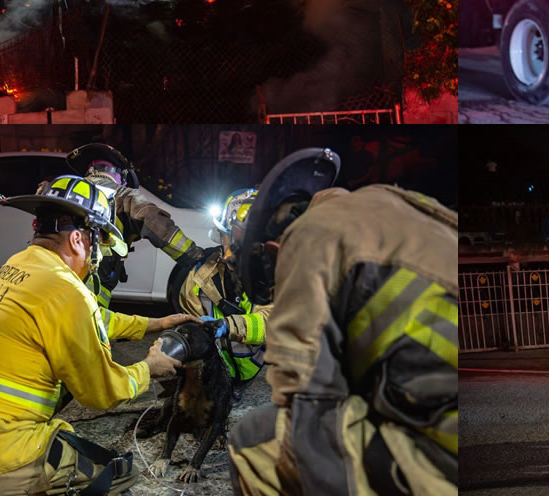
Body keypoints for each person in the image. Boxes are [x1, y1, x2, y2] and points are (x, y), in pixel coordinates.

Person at [0, 175, 183, 495]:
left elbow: (90, 320)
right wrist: (149, 368)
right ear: (79, 241)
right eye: (102, 246)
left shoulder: (16, 268)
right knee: (117, 476)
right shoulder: (67, 291)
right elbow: (102, 392)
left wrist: (154, 324)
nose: (99, 260)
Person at [225, 148, 457, 496]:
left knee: (255, 441)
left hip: (444, 458)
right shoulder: (389, 205)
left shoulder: (307, 235)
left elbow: (305, 399)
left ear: (274, 248)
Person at [65, 143, 204, 319]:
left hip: (50, 273)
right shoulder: (122, 194)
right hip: (90, 278)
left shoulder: (66, 189)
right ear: (121, 176)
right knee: (87, 329)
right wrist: (194, 256)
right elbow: (154, 221)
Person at [179, 187, 270, 385]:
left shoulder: (272, 277)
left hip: (250, 366)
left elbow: (273, 324)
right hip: (212, 367)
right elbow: (191, 321)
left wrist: (228, 326)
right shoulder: (200, 277)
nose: (232, 250)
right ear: (220, 235)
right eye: (228, 238)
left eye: (241, 241)